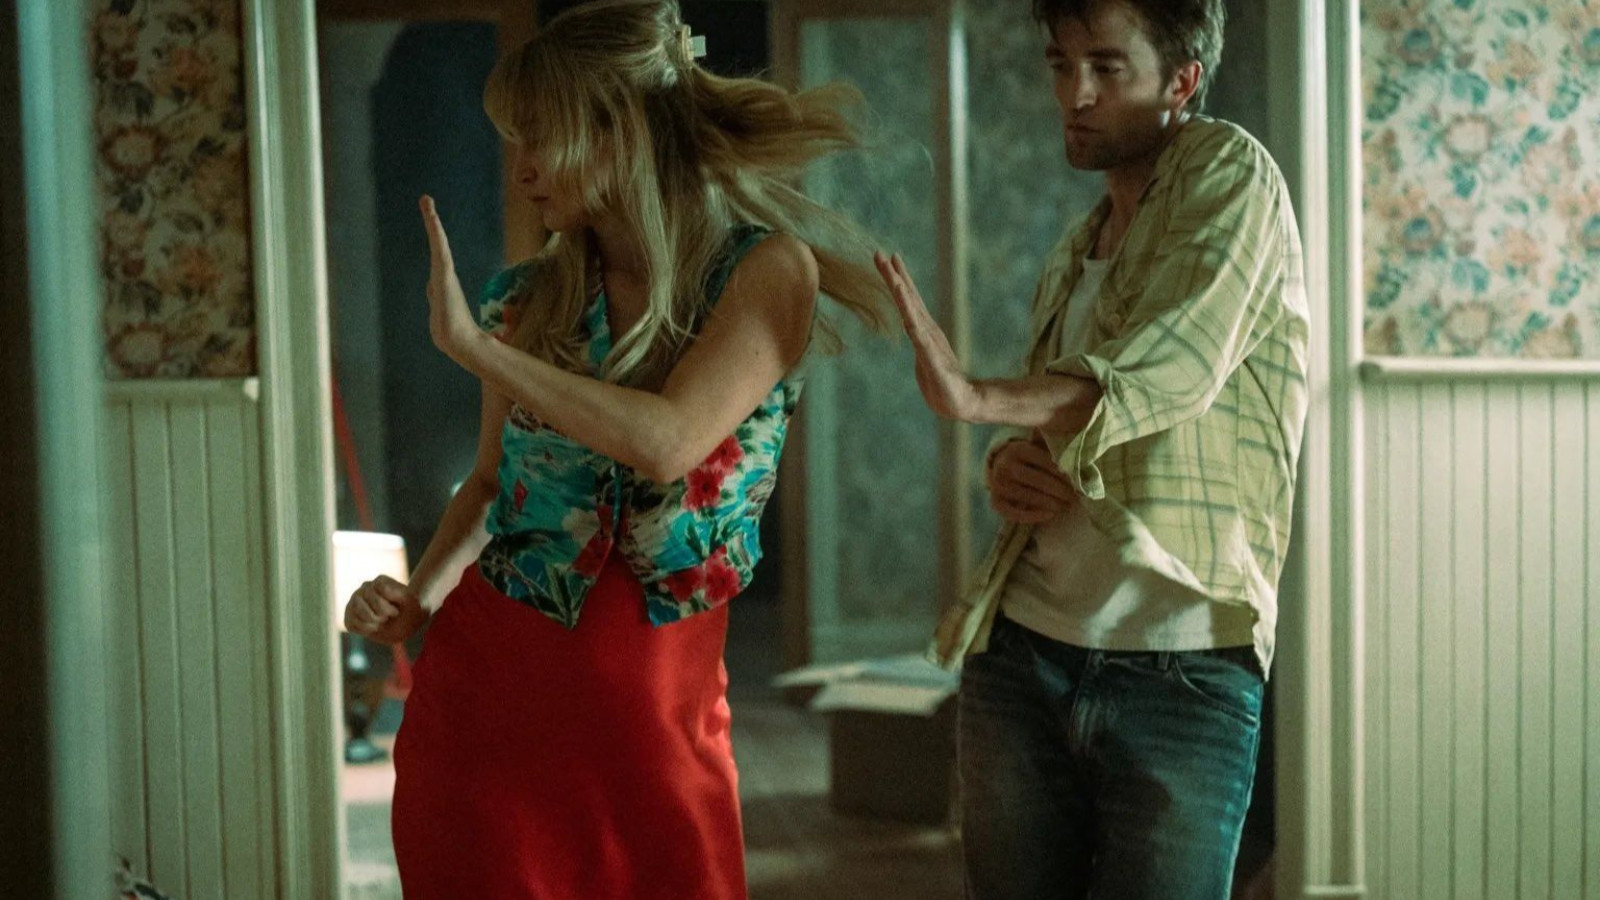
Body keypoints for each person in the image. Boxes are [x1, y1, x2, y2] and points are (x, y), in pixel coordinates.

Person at [341, 2, 887, 896]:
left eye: (540, 139)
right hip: (483, 708)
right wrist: (417, 602)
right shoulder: (525, 299)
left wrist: (477, 352)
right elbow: (491, 483)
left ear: (621, 132)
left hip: (656, 724)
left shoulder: (766, 271)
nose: (521, 169)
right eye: (513, 141)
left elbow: (667, 443)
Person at [874, 0, 1310, 896]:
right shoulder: (1079, 247)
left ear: (1181, 81)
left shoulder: (1233, 170)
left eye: (1108, 68)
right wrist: (1009, 464)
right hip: (1022, 654)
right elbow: (1068, 424)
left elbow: (1174, 367)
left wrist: (978, 397)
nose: (1075, 93)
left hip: (1182, 665)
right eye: (1060, 64)